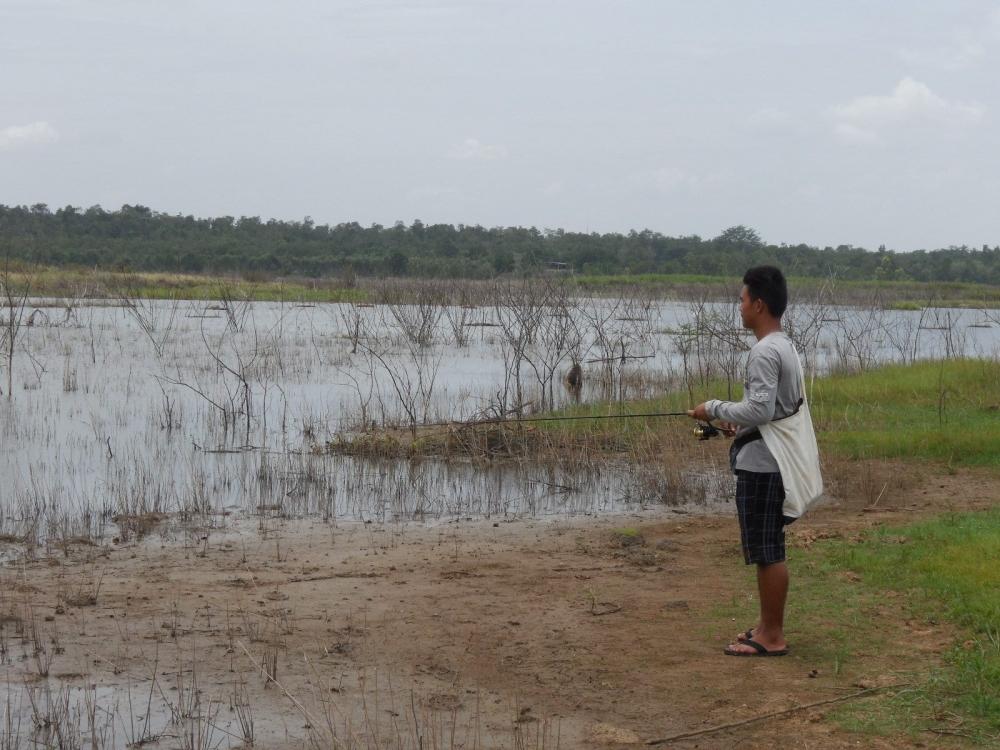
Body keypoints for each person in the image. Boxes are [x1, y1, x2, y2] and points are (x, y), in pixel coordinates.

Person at [688, 265, 806, 657]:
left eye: (741, 300)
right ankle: (766, 626)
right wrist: (739, 425)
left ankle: (772, 636)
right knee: (766, 547)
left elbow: (758, 407)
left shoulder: (764, 351)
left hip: (764, 467)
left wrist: (712, 408)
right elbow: (772, 411)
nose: (738, 307)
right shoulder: (784, 346)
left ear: (758, 304)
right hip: (772, 459)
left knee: (767, 550)